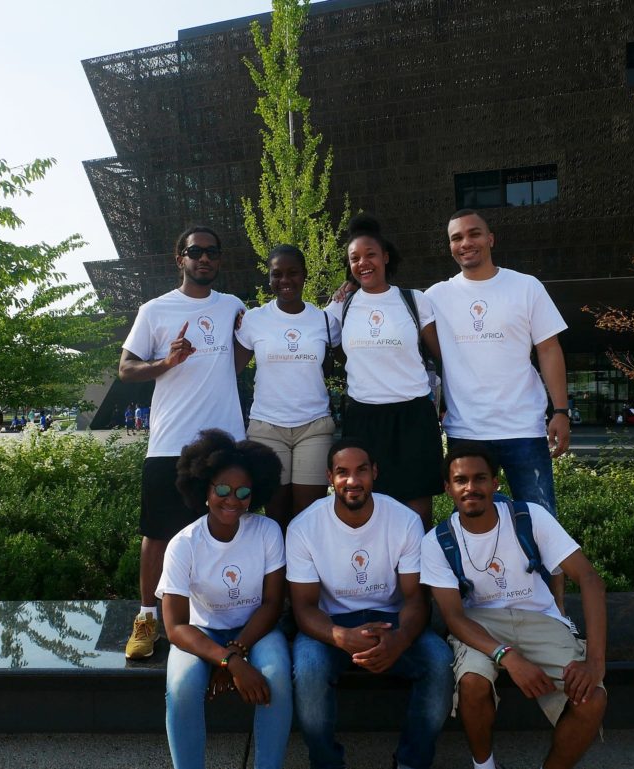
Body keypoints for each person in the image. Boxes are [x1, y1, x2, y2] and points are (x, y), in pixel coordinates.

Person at [421, 444, 606, 769]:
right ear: (447, 488)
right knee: (472, 683)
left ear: (495, 482)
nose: (470, 487)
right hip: (479, 623)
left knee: (591, 700)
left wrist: (595, 663)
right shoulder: (438, 541)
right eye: (460, 480)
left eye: (480, 478)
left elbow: (589, 578)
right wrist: (508, 656)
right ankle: (485, 766)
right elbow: (453, 616)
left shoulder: (528, 517)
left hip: (540, 619)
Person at [426, 210, 571, 612]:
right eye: (457, 237)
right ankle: (482, 607)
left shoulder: (526, 287)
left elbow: (548, 349)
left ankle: (556, 612)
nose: (465, 243)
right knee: (475, 529)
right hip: (466, 430)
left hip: (523, 427)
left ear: (492, 238)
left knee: (544, 526)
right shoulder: (435, 296)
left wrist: (560, 410)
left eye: (474, 234)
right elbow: (394, 313)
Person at [119, 225, 247, 660]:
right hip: (171, 441)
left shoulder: (233, 306)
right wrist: (167, 361)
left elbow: (245, 351)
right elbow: (125, 369)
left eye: (212, 252)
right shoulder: (155, 310)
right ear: (181, 258)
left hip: (225, 440)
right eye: (196, 252)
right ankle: (147, 617)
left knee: (229, 529)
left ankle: (223, 613)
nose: (205, 258)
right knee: (158, 533)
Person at [286, 437, 453, 769]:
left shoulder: (403, 520)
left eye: (361, 470)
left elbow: (415, 598)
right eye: (342, 472)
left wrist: (399, 640)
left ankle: (411, 762)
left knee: (439, 662)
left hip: (392, 619)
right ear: (329, 478)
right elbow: (304, 607)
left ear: (374, 472)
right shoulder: (304, 526)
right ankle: (327, 763)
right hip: (329, 622)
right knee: (309, 670)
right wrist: (340, 636)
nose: (352, 481)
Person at [157, 429, 291, 769]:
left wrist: (238, 649)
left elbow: (273, 603)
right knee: (182, 686)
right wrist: (229, 661)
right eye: (222, 489)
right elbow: (175, 627)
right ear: (204, 488)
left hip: (255, 631)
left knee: (276, 677)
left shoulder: (267, 532)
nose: (232, 499)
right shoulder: (183, 544)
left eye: (243, 492)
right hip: (201, 634)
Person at [327, 214, 444, 528]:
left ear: (386, 257)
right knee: (369, 507)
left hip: (413, 416)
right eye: (355, 258)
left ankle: (419, 575)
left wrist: (450, 404)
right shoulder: (342, 306)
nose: (363, 263)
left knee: (417, 509)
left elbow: (441, 356)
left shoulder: (414, 301)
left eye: (370, 255)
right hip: (363, 417)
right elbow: (332, 349)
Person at [235, 244, 341, 528]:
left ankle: (303, 573)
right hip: (267, 427)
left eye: (292, 273)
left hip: (314, 426)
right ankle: (276, 573)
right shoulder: (254, 319)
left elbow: (350, 361)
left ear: (304, 275)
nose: (285, 281)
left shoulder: (324, 320)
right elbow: (229, 368)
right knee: (275, 516)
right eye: (276, 274)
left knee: (308, 517)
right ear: (268, 278)